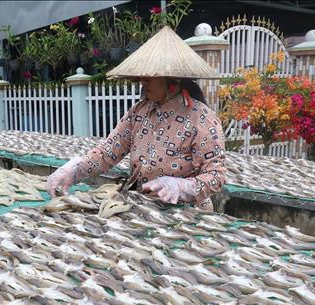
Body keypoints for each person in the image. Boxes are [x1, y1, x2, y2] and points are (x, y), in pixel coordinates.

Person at [46, 26, 227, 211]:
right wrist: (73, 170)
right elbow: (107, 152)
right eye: (141, 77)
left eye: (149, 77)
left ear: (173, 80)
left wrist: (181, 187)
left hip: (187, 212)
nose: (143, 82)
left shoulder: (202, 118)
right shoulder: (139, 112)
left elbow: (216, 176)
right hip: (142, 206)